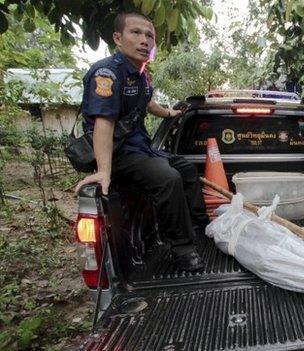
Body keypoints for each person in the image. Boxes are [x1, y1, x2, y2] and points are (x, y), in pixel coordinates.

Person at [74, 12, 207, 271]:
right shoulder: (107, 74)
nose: (145, 40)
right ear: (118, 38)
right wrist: (103, 171)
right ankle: (182, 248)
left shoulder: (141, 74)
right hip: (118, 152)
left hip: (141, 148)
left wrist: (170, 113)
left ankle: (201, 225)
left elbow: (147, 102)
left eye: (149, 36)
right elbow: (104, 124)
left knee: (186, 168)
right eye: (136, 33)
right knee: (168, 178)